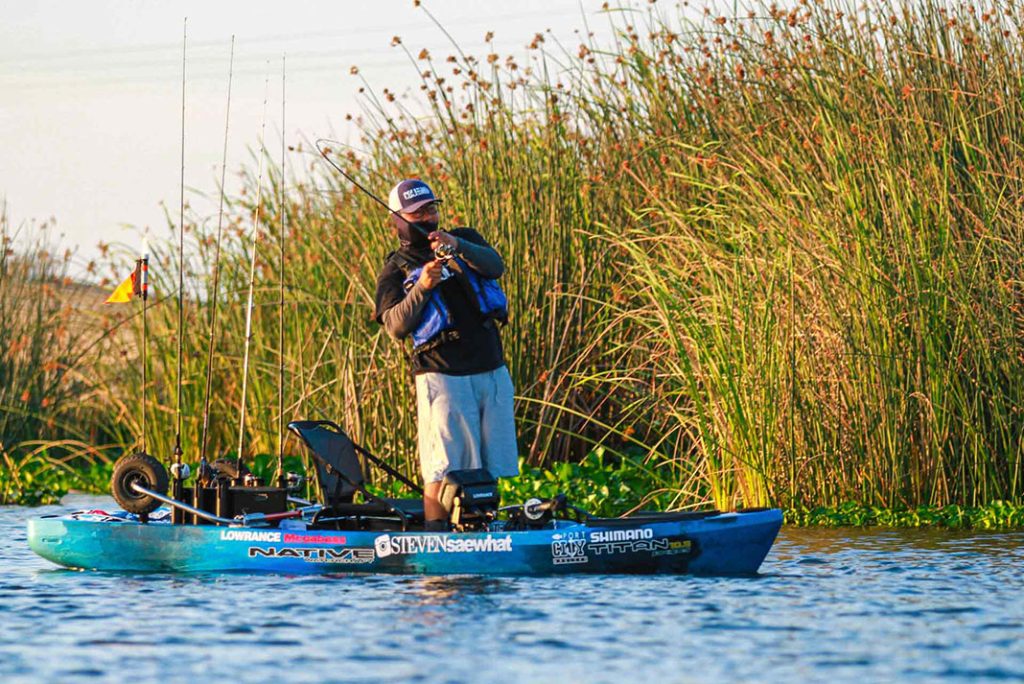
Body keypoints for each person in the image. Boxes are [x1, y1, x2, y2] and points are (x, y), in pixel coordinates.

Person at [373, 179, 519, 528]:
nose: (427, 218)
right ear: (398, 220)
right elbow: (395, 326)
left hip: (490, 367)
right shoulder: (395, 268)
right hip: (442, 375)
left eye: (431, 209)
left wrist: (457, 246)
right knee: (443, 468)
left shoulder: (464, 238)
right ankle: (437, 536)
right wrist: (422, 286)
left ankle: (481, 530)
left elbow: (494, 266)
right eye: (417, 213)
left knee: (488, 465)